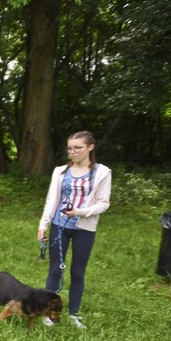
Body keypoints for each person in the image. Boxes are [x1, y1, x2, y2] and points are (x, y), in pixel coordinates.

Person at [38, 130, 112, 329]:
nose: (72, 152)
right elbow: (51, 200)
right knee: (55, 270)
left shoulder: (102, 172)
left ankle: (73, 314)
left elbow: (104, 203)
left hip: (84, 229)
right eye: (70, 148)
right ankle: (48, 312)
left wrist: (80, 211)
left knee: (78, 272)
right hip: (59, 226)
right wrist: (43, 225)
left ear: (90, 147)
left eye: (78, 148)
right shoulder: (60, 171)